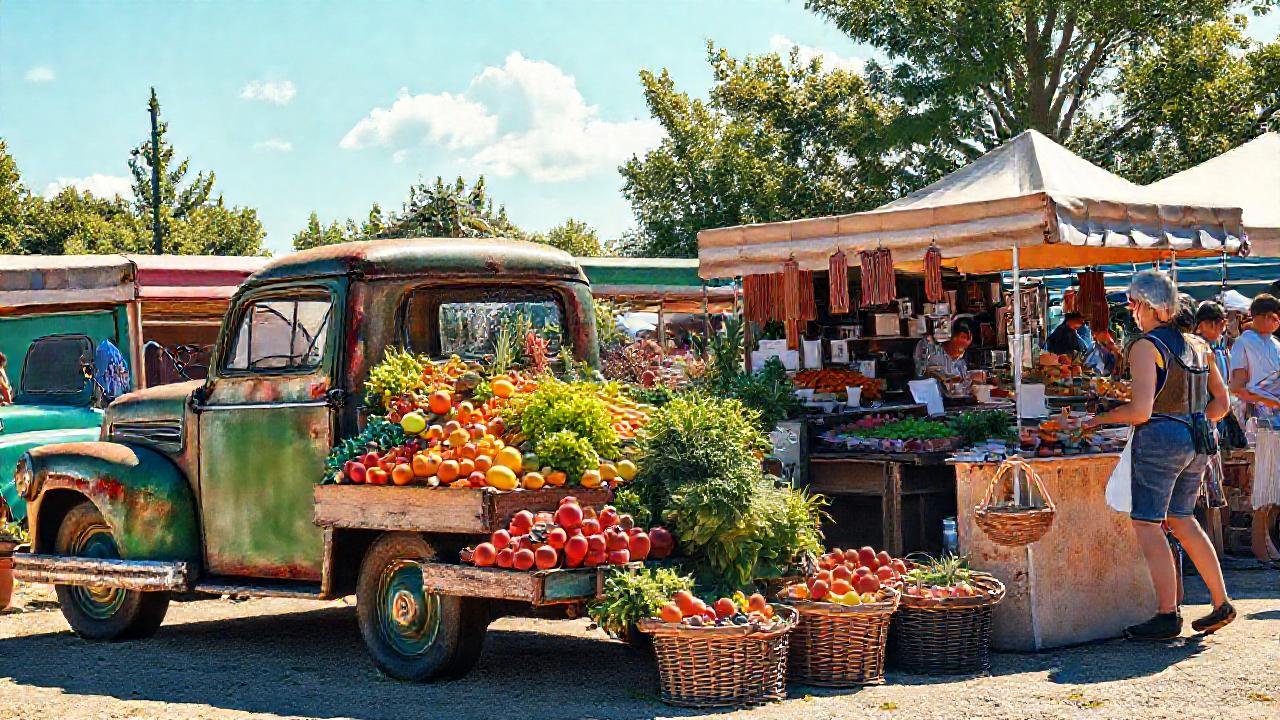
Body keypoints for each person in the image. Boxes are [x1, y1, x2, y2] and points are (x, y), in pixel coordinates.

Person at [1085, 270, 1234, 639]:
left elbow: (1140, 412)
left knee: (1148, 524)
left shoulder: (1145, 346)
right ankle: (1221, 602)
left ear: (1146, 306)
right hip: (1199, 440)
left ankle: (1167, 613)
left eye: (1134, 304)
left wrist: (1098, 419)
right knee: (1183, 519)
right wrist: (1195, 422)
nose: (1132, 311)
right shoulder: (1199, 344)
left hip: (1160, 441)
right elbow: (1224, 403)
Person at [1227, 293, 1280, 562]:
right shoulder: (1243, 343)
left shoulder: (1275, 344)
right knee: (1264, 489)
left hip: (1276, 420)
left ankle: (1270, 545)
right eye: (1271, 317)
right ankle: (1261, 550)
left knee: (1276, 488)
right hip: (1261, 422)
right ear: (1259, 317)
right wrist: (1268, 399)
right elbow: (1237, 388)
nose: (1275, 322)